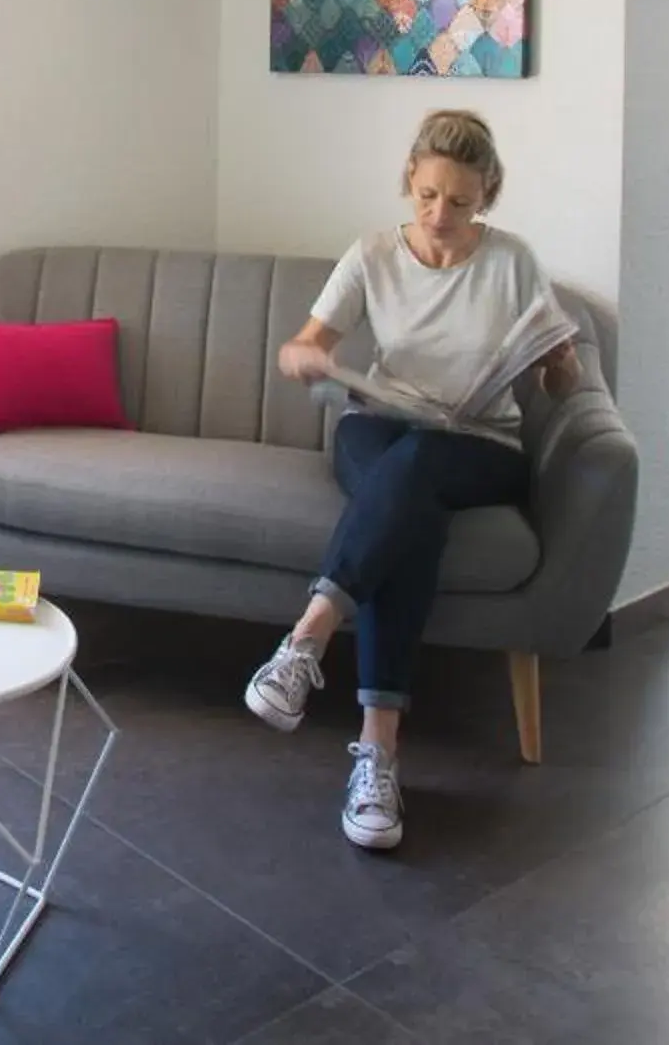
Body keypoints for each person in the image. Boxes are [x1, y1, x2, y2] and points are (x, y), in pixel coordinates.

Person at [248, 109, 582, 850]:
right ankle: (378, 757)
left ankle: (307, 640)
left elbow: (563, 380)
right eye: (428, 195)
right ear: (410, 179)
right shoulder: (371, 255)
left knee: (420, 471)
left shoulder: (513, 261)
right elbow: (307, 344)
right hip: (381, 427)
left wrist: (561, 362)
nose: (440, 216)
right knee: (409, 499)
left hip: (478, 443)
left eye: (460, 203)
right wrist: (305, 356)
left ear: (487, 196)